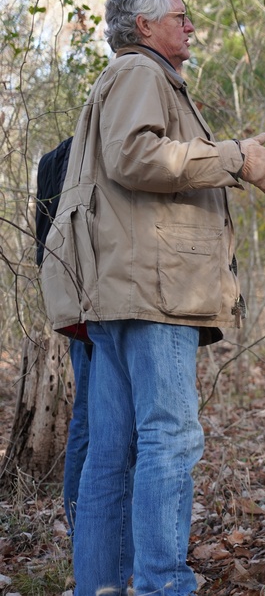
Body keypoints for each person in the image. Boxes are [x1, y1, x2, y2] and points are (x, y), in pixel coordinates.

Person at [40, 0, 265, 595]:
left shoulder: (129, 76)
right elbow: (136, 156)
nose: (191, 25)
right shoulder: (141, 73)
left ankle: (105, 585)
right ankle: (161, 584)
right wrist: (235, 158)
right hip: (153, 296)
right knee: (169, 440)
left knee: (112, 452)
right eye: (181, 15)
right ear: (145, 24)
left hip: (128, 293)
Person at [34, 136, 92, 535]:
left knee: (88, 424)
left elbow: (43, 249)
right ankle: (86, 538)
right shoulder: (76, 154)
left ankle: (84, 536)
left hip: (80, 308)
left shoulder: (56, 158)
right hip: (96, 308)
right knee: (93, 425)